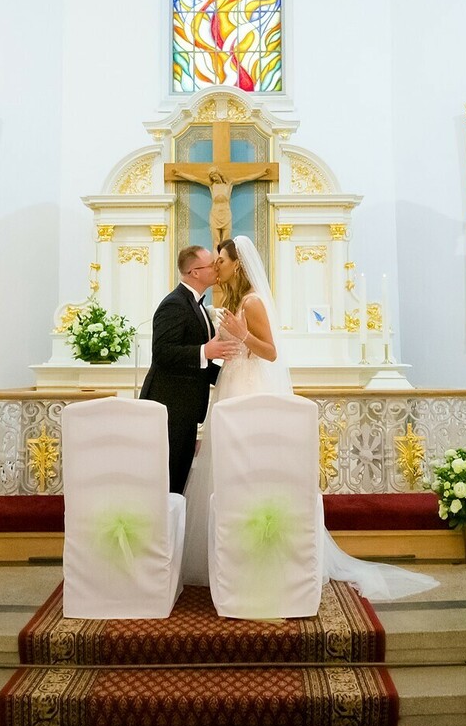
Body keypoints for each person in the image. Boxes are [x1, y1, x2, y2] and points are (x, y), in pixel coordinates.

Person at [184, 236, 438, 602]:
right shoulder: (235, 301)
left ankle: (266, 552)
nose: (218, 266)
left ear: (237, 264)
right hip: (233, 384)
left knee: (255, 469)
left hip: (251, 389)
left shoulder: (252, 301)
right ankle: (231, 555)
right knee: (229, 468)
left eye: (221, 259)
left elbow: (270, 353)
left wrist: (241, 335)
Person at [138, 245, 241, 494]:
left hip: (184, 408)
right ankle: (165, 532)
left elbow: (199, 364)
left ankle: (173, 531)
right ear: (194, 272)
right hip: (170, 406)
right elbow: (162, 353)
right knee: (169, 478)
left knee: (179, 477)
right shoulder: (174, 304)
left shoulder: (197, 305)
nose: (216, 268)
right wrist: (205, 351)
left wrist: (235, 377)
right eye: (210, 265)